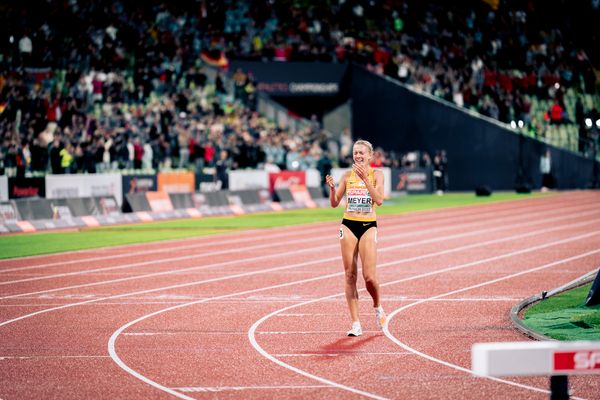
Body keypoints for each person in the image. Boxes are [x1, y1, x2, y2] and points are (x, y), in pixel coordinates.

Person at [325, 139, 386, 337]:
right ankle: (356, 323)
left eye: (362, 153)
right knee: (350, 275)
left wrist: (365, 180)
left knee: (369, 277)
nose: (358, 156)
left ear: (370, 156)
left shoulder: (377, 174)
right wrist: (333, 189)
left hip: (368, 225)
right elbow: (335, 204)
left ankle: (377, 307)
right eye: (355, 152)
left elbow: (379, 200)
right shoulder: (346, 175)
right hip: (349, 224)